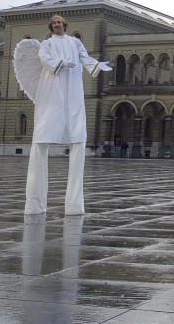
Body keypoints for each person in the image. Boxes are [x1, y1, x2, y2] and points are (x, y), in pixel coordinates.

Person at [24, 15, 112, 215]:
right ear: (51, 27)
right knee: (43, 133)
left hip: (72, 88)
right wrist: (61, 63)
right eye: (53, 23)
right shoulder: (46, 44)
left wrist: (96, 65)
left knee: (76, 135)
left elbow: (83, 56)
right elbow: (45, 59)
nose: (57, 25)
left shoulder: (75, 42)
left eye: (59, 22)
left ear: (64, 25)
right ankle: (35, 204)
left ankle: (74, 205)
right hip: (52, 87)